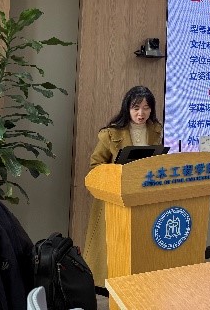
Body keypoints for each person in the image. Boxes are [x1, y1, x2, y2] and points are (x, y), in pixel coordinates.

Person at [82, 86, 163, 286]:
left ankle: (138, 282)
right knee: (116, 245)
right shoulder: (110, 134)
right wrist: (118, 171)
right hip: (115, 197)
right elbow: (95, 167)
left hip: (143, 195)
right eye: (136, 108)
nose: (141, 113)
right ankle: (113, 284)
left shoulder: (156, 131)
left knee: (139, 244)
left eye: (146, 108)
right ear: (127, 108)